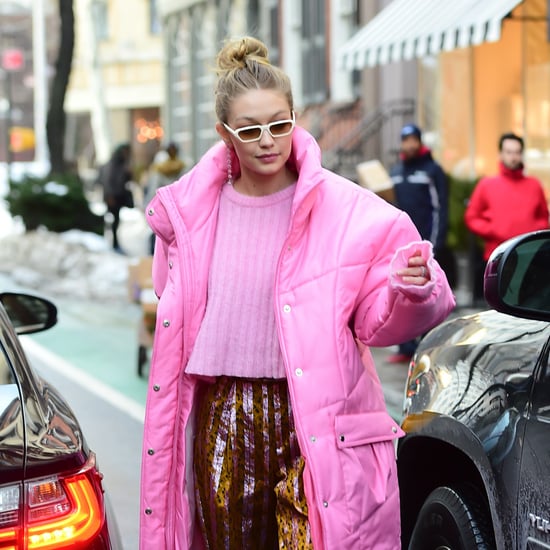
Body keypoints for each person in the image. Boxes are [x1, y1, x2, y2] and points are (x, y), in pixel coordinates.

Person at [140, 36, 455, 550]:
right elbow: (173, 304)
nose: (267, 140)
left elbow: (380, 321)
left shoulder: (349, 212)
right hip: (224, 417)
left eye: (279, 124)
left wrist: (411, 286)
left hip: (315, 417)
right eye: (250, 129)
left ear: (294, 118)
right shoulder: (189, 218)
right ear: (225, 134)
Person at [388, 123, 451, 363]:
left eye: (414, 139)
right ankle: (405, 348)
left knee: (428, 297)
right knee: (401, 295)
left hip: (425, 245)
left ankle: (428, 345)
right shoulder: (394, 172)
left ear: (420, 142)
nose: (410, 144)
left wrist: (435, 243)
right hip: (400, 249)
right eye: (406, 140)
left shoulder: (432, 170)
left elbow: (440, 208)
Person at [465, 132, 549, 266]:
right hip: (498, 255)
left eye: (517, 152)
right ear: (501, 154)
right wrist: (493, 230)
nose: (513, 157)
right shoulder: (487, 184)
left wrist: (532, 229)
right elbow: (472, 217)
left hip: (531, 256)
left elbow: (544, 217)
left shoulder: (534, 185)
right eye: (509, 152)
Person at [145, 142, 186, 253]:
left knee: (159, 238)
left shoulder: (159, 169)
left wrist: (149, 207)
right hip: (178, 208)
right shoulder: (184, 167)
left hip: (162, 207)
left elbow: (153, 190)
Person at [99, 143, 133, 253]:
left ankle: (114, 243)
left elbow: (125, 180)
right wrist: (109, 196)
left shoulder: (122, 164)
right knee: (112, 220)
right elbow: (107, 181)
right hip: (112, 197)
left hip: (118, 197)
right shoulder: (112, 165)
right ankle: (112, 243)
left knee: (116, 221)